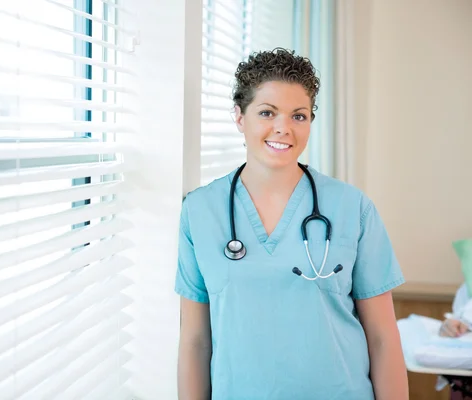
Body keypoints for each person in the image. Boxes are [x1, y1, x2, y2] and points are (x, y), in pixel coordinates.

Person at [175, 48, 409, 399]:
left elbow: (382, 336)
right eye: (267, 112)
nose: (283, 128)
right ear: (239, 117)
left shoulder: (351, 207)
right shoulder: (200, 210)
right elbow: (195, 340)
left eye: (299, 116)